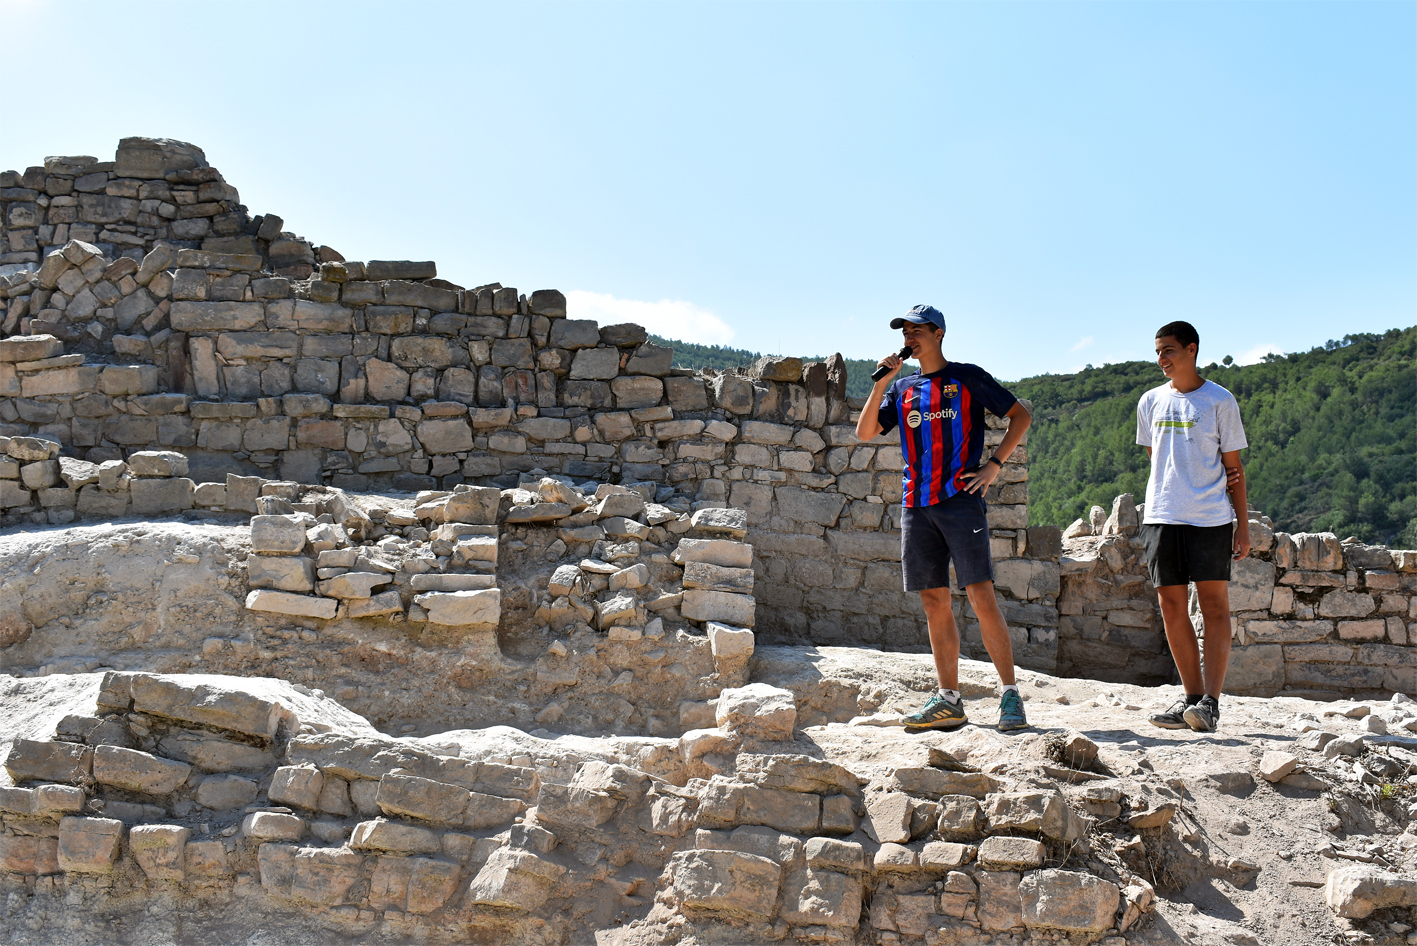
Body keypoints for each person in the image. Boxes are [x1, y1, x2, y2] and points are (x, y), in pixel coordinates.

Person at [856, 304, 1034, 733]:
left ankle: (1010, 696)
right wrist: (882, 384)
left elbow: (1020, 416)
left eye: (917, 330)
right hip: (916, 504)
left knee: (980, 595)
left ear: (938, 333)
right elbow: (864, 432)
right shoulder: (902, 390)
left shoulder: (966, 377)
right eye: (905, 331)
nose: (909, 337)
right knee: (934, 600)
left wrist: (994, 465)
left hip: (960, 500)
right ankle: (949, 700)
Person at [1138, 320, 1250, 733]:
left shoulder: (1220, 401)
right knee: (1171, 607)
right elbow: (1156, 457)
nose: (1162, 359)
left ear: (1192, 349)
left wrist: (1243, 525)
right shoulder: (1149, 401)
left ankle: (1211, 703)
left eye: (1168, 350)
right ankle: (1189, 699)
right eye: (1157, 352)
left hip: (1210, 518)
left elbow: (1234, 468)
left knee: (1215, 608)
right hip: (1161, 515)